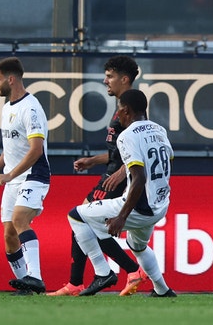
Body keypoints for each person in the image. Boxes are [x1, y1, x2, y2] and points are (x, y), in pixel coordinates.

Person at [49, 55, 147, 296]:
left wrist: (122, 171)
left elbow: (142, 149)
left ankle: (128, 271)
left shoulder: (132, 109)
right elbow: (119, 151)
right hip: (110, 172)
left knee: (80, 218)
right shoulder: (121, 108)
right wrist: (92, 160)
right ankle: (77, 282)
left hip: (118, 178)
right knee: (80, 220)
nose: (105, 81)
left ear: (124, 79)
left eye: (110, 76)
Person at [67, 89, 175, 297]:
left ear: (125, 110)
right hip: (161, 204)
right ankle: (162, 290)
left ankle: (102, 272)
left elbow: (139, 177)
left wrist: (121, 217)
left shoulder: (126, 136)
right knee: (137, 245)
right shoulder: (160, 130)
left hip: (139, 206)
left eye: (119, 110)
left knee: (76, 216)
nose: (118, 115)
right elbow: (167, 160)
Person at [0, 57, 51, 295]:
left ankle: (35, 277)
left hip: (34, 175)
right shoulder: (7, 107)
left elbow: (36, 149)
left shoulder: (31, 108)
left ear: (11, 79)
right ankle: (26, 285)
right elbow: (10, 149)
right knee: (9, 236)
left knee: (20, 221)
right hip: (13, 177)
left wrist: (9, 175)